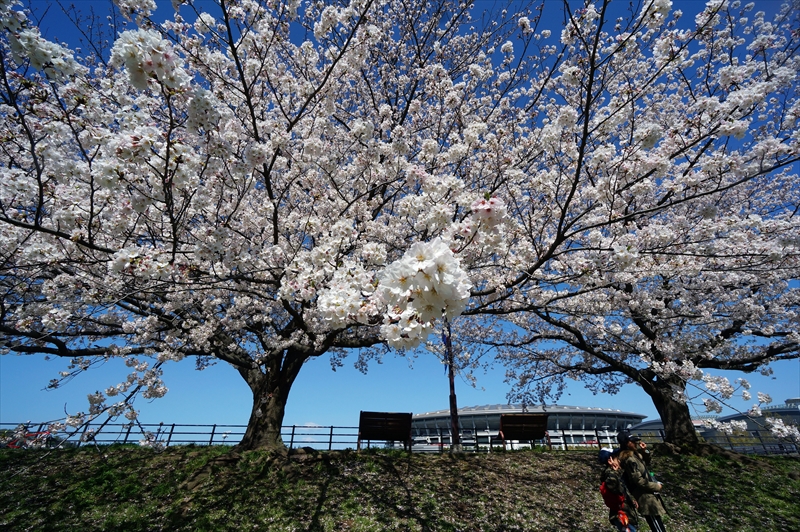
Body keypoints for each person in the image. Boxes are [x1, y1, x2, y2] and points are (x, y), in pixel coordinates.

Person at [618, 432, 668, 532]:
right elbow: (639, 480)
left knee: (658, 524)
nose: (636, 443)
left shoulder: (635, 455)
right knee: (657, 526)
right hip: (645, 497)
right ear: (627, 443)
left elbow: (646, 462)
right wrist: (656, 486)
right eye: (633, 442)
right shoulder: (629, 459)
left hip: (649, 494)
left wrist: (645, 451)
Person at [599, 448, 638, 532]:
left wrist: (631, 501)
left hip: (626, 513)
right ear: (610, 460)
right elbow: (614, 488)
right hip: (621, 515)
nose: (619, 461)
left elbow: (622, 491)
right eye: (617, 458)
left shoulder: (615, 473)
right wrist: (615, 472)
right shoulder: (610, 474)